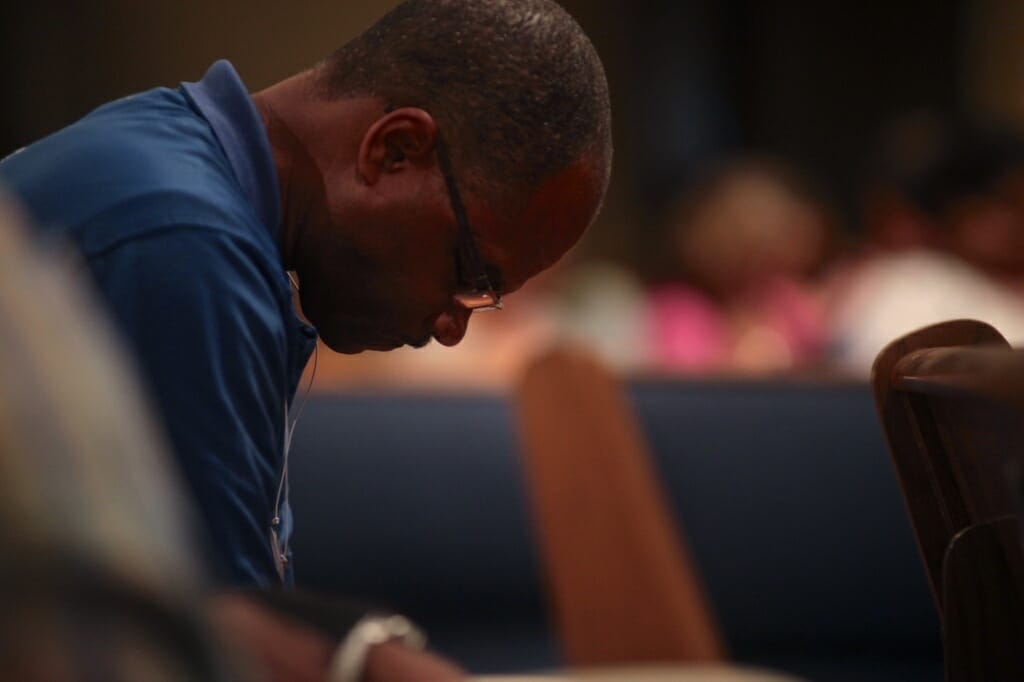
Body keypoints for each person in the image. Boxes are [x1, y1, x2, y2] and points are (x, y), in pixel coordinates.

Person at [0, 0, 612, 679]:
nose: (452, 327)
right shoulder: (186, 245)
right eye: (470, 275)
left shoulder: (171, 164)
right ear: (393, 149)